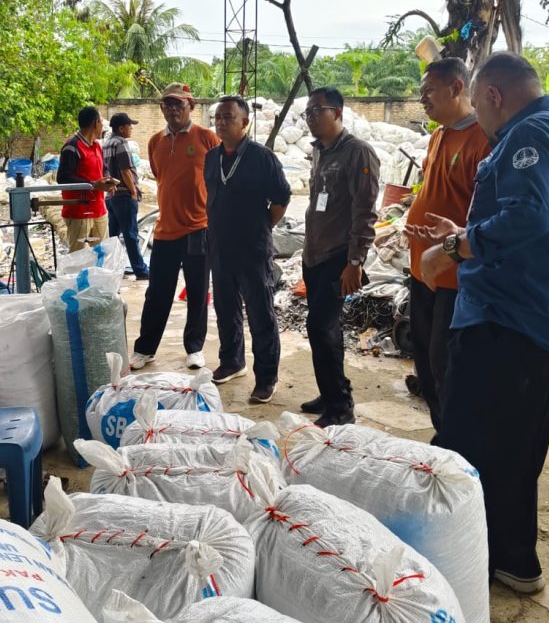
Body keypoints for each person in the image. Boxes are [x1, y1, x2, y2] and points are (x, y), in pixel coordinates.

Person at [411, 52, 549, 595]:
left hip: (506, 318)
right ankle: (511, 558)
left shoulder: (528, 134)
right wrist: (465, 231)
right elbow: (532, 219)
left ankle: (470, 560)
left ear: (492, 95)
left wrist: (454, 247)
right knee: (515, 442)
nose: (481, 118)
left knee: (469, 442)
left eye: (480, 103)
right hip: (535, 314)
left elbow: (529, 216)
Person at [403, 58, 490, 431]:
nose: (422, 99)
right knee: (424, 359)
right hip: (422, 267)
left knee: (445, 364)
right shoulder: (439, 135)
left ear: (456, 88)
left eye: (429, 91)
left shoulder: (483, 139)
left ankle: (457, 440)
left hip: (455, 274)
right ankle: (443, 434)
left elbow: (487, 216)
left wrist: (454, 238)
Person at [299, 87, 380, 428]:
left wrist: (355, 262)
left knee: (323, 328)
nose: (311, 117)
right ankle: (330, 391)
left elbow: (365, 211)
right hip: (315, 255)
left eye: (317, 110)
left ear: (337, 113)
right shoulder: (319, 150)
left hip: (338, 257)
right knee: (321, 329)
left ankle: (340, 407)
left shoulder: (357, 152)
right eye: (308, 112)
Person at [204, 96, 291, 403]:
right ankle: (232, 361)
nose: (220, 122)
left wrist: (261, 226)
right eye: (217, 117)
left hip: (252, 249)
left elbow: (281, 199)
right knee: (225, 309)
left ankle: (266, 377)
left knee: (260, 314)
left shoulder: (261, 157)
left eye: (228, 117)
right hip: (220, 248)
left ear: (244, 122)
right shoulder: (212, 158)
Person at [130, 83, 220, 371]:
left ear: (190, 106)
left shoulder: (207, 138)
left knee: (197, 291)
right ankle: (145, 349)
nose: (172, 110)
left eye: (178, 104)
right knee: (157, 292)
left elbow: (219, 179)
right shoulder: (155, 141)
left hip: (198, 228)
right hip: (165, 231)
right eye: (167, 104)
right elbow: (161, 177)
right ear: (162, 108)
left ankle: (194, 347)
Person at [57, 106, 116, 253]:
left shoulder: (96, 145)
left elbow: (104, 168)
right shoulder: (72, 147)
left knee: (101, 253)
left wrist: (108, 181)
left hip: (99, 209)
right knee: (79, 256)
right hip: (79, 212)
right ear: (95, 123)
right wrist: (93, 185)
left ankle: (99, 270)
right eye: (101, 122)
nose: (103, 126)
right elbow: (62, 177)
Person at [103, 112, 150, 279]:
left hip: (111, 196)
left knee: (113, 237)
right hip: (124, 195)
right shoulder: (121, 143)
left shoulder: (106, 144)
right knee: (130, 235)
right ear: (121, 128)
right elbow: (125, 170)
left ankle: (112, 270)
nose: (131, 129)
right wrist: (133, 191)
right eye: (130, 126)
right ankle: (141, 270)